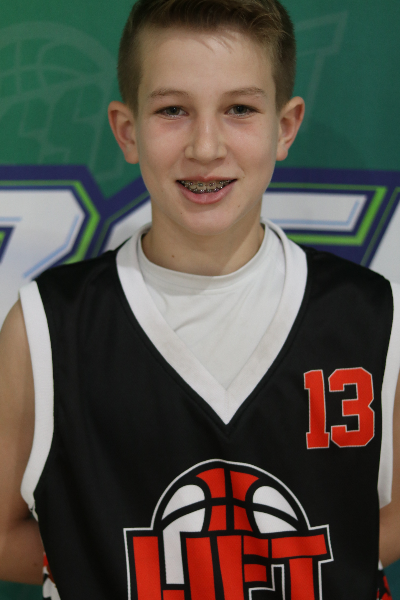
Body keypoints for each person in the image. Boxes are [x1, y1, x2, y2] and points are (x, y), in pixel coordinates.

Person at [0, 0, 399, 598]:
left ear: (285, 126)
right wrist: (121, 561)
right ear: (127, 131)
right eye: (173, 110)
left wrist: (262, 567)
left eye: (239, 109)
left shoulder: (373, 317)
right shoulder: (46, 327)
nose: (206, 146)